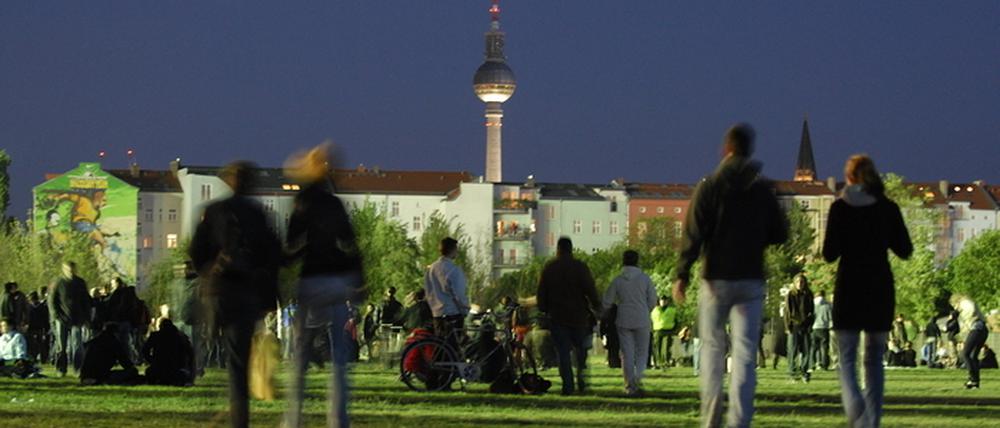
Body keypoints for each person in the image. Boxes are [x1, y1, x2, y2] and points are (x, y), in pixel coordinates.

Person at [673, 123, 789, 427]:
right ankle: (740, 420)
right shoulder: (763, 189)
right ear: (750, 150)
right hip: (750, 277)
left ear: (725, 150)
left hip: (716, 277)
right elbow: (780, 232)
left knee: (712, 349)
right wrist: (755, 237)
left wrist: (682, 273)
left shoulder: (710, 186)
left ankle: (710, 419)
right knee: (746, 355)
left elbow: (693, 232)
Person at [189, 161, 282, 428]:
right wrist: (268, 297)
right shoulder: (257, 214)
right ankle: (239, 419)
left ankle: (201, 381)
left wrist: (207, 273)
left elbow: (197, 251)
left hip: (218, 290)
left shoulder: (213, 211)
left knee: (208, 346)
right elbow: (272, 256)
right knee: (238, 361)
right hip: (245, 292)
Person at [823, 154, 913, 428]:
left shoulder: (840, 208)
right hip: (879, 287)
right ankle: (871, 421)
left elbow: (829, 254)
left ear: (849, 178)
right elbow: (905, 250)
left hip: (850, 286)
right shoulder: (888, 208)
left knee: (847, 358)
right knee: (874, 360)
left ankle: (854, 408)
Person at [281, 144, 364, 428]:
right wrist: (358, 277)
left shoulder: (302, 202)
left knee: (301, 353)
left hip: (312, 279)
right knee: (340, 354)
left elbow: (292, 244)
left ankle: (293, 420)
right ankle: (339, 420)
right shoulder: (335, 204)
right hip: (337, 281)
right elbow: (350, 243)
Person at [537, 237, 600, 396]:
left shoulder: (550, 268)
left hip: (558, 317)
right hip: (579, 317)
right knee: (580, 352)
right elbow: (590, 289)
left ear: (558, 249)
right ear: (571, 249)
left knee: (563, 353)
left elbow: (541, 293)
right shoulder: (580, 267)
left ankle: (568, 385)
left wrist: (544, 309)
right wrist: (596, 306)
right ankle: (581, 379)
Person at [602, 250, 657, 397]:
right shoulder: (645, 279)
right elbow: (652, 300)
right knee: (642, 352)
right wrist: (646, 309)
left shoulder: (618, 280)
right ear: (637, 261)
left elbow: (607, 302)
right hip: (642, 317)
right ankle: (637, 380)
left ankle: (628, 385)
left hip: (624, 318)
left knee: (627, 354)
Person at [425, 237, 471, 346]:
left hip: (437, 314)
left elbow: (428, 292)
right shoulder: (453, 270)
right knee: (453, 349)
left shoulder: (431, 269)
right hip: (452, 313)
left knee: (441, 348)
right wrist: (465, 309)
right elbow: (458, 294)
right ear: (452, 250)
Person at [49, 261, 92, 376]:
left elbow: (86, 301)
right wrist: (56, 316)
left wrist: (86, 318)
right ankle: (61, 369)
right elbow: (52, 301)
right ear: (64, 270)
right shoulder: (58, 282)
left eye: (72, 270)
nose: (71, 272)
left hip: (77, 319)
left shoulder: (80, 283)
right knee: (61, 346)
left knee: (77, 346)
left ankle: (78, 369)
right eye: (68, 270)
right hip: (61, 318)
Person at [951, 294, 989, 389]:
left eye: (955, 306)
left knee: (965, 354)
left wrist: (959, 311)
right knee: (973, 356)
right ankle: (975, 382)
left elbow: (971, 310)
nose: (955, 308)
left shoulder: (964, 302)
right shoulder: (967, 304)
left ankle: (972, 379)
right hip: (982, 330)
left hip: (977, 329)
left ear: (957, 302)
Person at [142, 319, 194, 386]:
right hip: (176, 369)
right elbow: (190, 354)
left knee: (150, 372)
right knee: (182, 375)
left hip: (158, 369)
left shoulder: (155, 336)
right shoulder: (181, 337)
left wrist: (152, 361)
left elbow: (145, 350)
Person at [784, 274, 814, 382]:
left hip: (805, 326)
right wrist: (787, 327)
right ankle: (792, 373)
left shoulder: (809, 294)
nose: (800, 284)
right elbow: (787, 311)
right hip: (794, 326)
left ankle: (805, 372)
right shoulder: (790, 294)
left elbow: (812, 311)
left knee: (806, 351)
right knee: (792, 351)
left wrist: (810, 324)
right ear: (794, 283)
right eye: (798, 282)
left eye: (802, 282)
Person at [650, 295, 678, 370]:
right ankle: (657, 363)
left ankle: (666, 362)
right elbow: (650, 320)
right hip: (658, 331)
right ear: (659, 301)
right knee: (657, 348)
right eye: (662, 300)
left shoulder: (672, 310)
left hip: (668, 330)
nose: (663, 302)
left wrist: (674, 329)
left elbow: (676, 320)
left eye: (665, 300)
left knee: (667, 348)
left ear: (667, 301)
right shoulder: (655, 310)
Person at [26, 291, 50, 364]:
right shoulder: (43, 307)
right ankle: (42, 359)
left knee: (35, 344)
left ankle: (35, 358)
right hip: (39, 328)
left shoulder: (29, 307)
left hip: (34, 328)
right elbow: (46, 319)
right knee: (41, 345)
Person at [811, 290, 832, 371]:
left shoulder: (813, 304)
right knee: (824, 347)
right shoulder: (827, 305)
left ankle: (812, 363)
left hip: (814, 327)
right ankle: (825, 364)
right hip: (824, 328)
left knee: (814, 347)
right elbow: (830, 317)